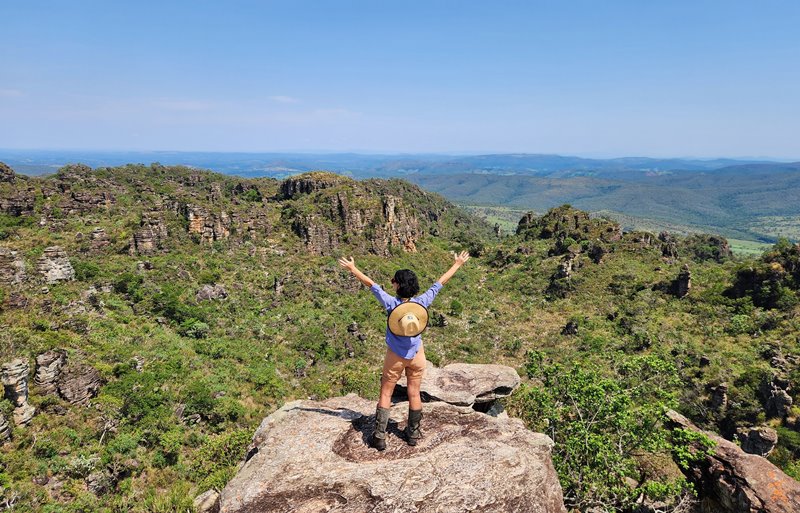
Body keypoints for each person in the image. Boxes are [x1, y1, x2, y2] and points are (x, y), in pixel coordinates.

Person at [338, 251, 471, 450]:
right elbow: (440, 283)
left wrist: (352, 268)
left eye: (394, 281)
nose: (392, 283)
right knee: (414, 393)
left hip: (395, 356)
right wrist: (458, 264)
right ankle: (413, 433)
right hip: (417, 355)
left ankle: (380, 436)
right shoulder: (422, 302)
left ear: (398, 285)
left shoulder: (392, 304)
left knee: (386, 392)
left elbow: (371, 285)